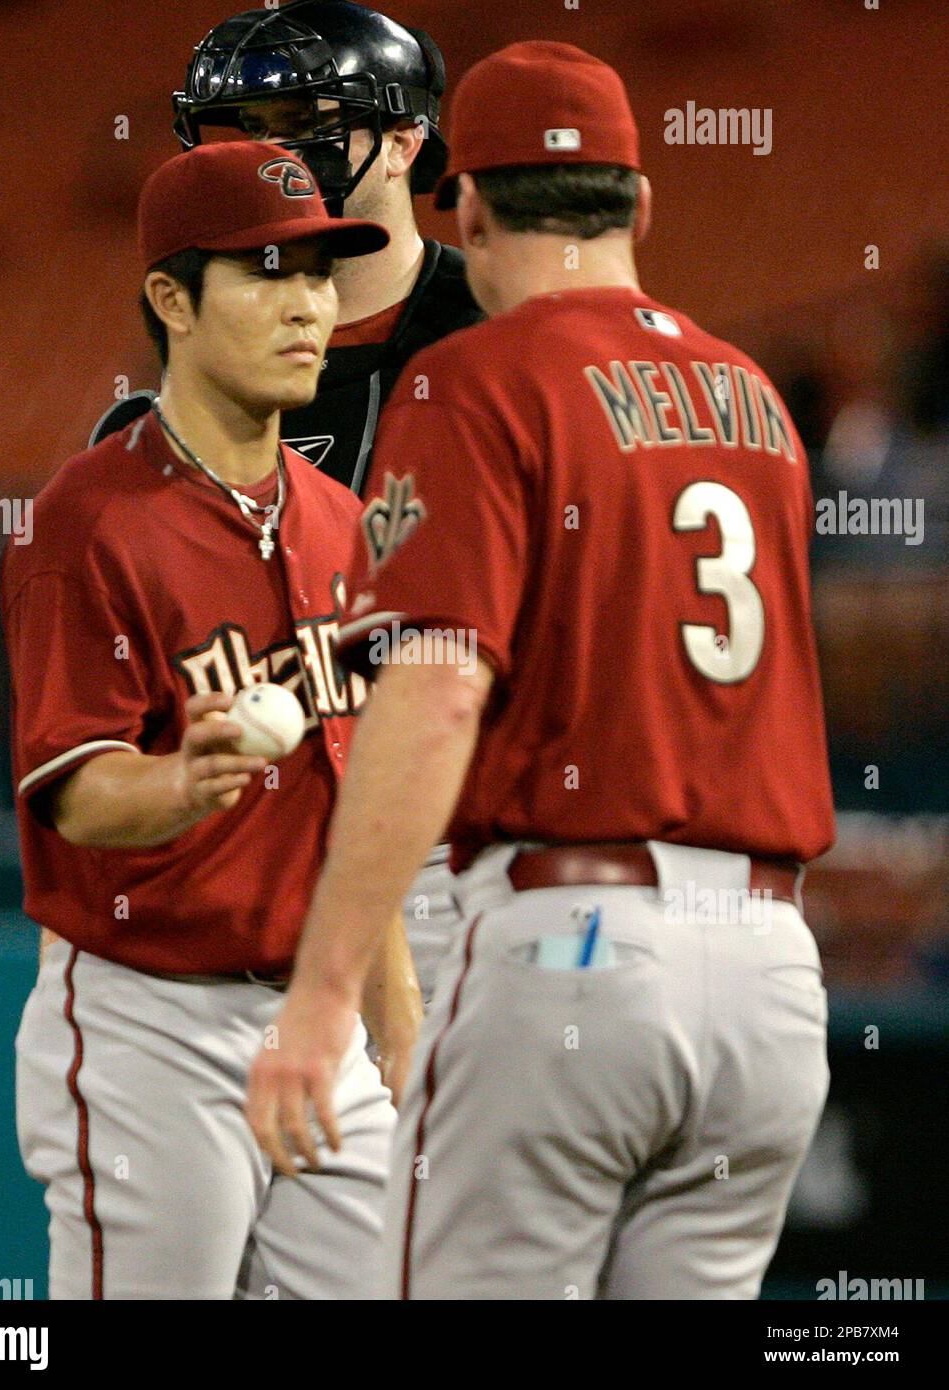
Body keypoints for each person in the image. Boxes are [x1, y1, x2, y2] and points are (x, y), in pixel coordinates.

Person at [247, 41, 835, 1300]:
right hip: (771, 971)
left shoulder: (468, 380)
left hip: (575, 944)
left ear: (464, 206)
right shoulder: (756, 403)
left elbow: (439, 686)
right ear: (638, 203)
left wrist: (325, 990)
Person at [2, 139, 415, 1299]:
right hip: (148, 1021)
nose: (307, 307)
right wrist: (182, 779)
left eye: (320, 275)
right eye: (266, 271)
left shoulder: (344, 522)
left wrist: (392, 1005)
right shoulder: (87, 520)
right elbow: (77, 788)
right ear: (171, 299)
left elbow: (352, 790)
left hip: (312, 1021)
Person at [92, 0, 484, 1001]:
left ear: (404, 141)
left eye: (305, 121)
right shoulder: (183, 371)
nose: (269, 157)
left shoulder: (492, 334)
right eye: (246, 131)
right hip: (248, 847)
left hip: (456, 837)